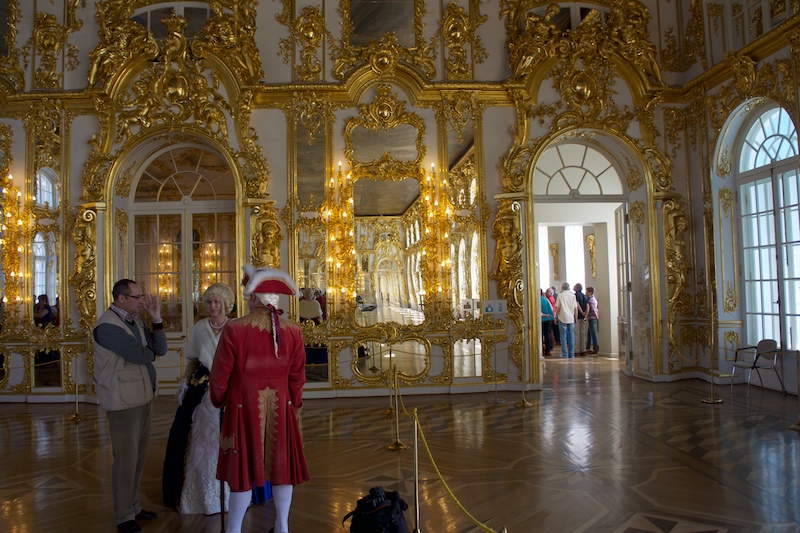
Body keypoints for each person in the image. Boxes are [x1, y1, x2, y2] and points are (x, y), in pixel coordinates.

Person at [210, 265, 310, 533]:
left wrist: (219, 400)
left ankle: (233, 529)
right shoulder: (293, 330)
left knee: (242, 473)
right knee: (281, 470)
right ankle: (282, 527)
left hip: (242, 408)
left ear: (252, 295)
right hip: (282, 406)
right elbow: (297, 377)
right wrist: (294, 405)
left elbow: (219, 376)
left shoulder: (235, 329)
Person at [93, 279, 165, 533]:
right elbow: (139, 354)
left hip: (142, 396)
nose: (142, 300)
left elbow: (160, 348)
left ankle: (133, 506)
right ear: (121, 298)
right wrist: (150, 353)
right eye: (137, 296)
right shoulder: (107, 327)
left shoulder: (136, 321)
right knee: (126, 459)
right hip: (122, 401)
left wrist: (156, 319)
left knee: (138, 456)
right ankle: (124, 516)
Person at [163, 283, 234, 514]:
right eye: (209, 302)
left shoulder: (235, 327)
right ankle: (198, 491)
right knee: (196, 438)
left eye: (217, 302)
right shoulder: (200, 327)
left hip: (229, 387)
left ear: (226, 304)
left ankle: (231, 491)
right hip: (202, 388)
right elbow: (193, 360)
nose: (212, 306)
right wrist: (184, 381)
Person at [555, 282, 577, 358]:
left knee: (563, 336)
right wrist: (575, 318)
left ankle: (565, 354)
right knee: (571, 336)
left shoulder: (560, 295)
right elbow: (575, 308)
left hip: (562, 317)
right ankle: (571, 354)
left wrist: (556, 317)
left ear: (563, 287)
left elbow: (558, 308)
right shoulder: (573, 296)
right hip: (571, 318)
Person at [573, 283, 589, 356]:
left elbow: (577, 305)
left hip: (578, 316)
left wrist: (582, 312)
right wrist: (586, 314)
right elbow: (588, 306)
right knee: (583, 334)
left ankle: (577, 350)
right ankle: (583, 350)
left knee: (577, 334)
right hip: (584, 317)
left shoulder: (575, 295)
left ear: (577, 288)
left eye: (574, 286)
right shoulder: (584, 296)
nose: (573, 287)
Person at [586, 287, 600, 354]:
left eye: (587, 292)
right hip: (592, 317)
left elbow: (593, 309)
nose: (586, 293)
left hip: (592, 317)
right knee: (589, 333)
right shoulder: (593, 299)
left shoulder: (591, 300)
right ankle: (588, 347)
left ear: (590, 292)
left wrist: (585, 314)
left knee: (593, 333)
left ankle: (595, 347)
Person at [540, 290, 554, 356]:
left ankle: (541, 350)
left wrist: (544, 315)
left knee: (541, 335)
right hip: (549, 319)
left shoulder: (537, 300)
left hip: (542, 319)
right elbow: (551, 308)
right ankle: (548, 350)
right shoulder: (546, 299)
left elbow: (537, 311)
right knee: (547, 334)